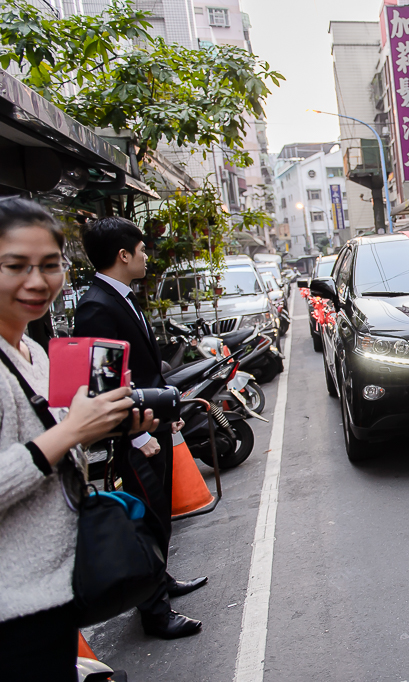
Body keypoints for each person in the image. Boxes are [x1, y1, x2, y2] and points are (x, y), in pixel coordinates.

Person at [0, 198, 157, 680]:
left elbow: (60, 449)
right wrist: (72, 430)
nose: (37, 281)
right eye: (15, 266)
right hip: (13, 613)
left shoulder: (34, 353)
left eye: (50, 265)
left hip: (54, 593)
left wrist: (113, 426)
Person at [74, 216, 206, 639]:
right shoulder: (97, 306)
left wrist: (168, 410)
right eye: (143, 250)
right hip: (137, 433)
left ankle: (159, 580)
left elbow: (143, 368)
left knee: (160, 514)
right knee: (147, 517)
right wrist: (141, 435)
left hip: (154, 420)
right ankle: (155, 613)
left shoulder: (122, 296)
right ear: (123, 255)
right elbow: (104, 383)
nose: (147, 257)